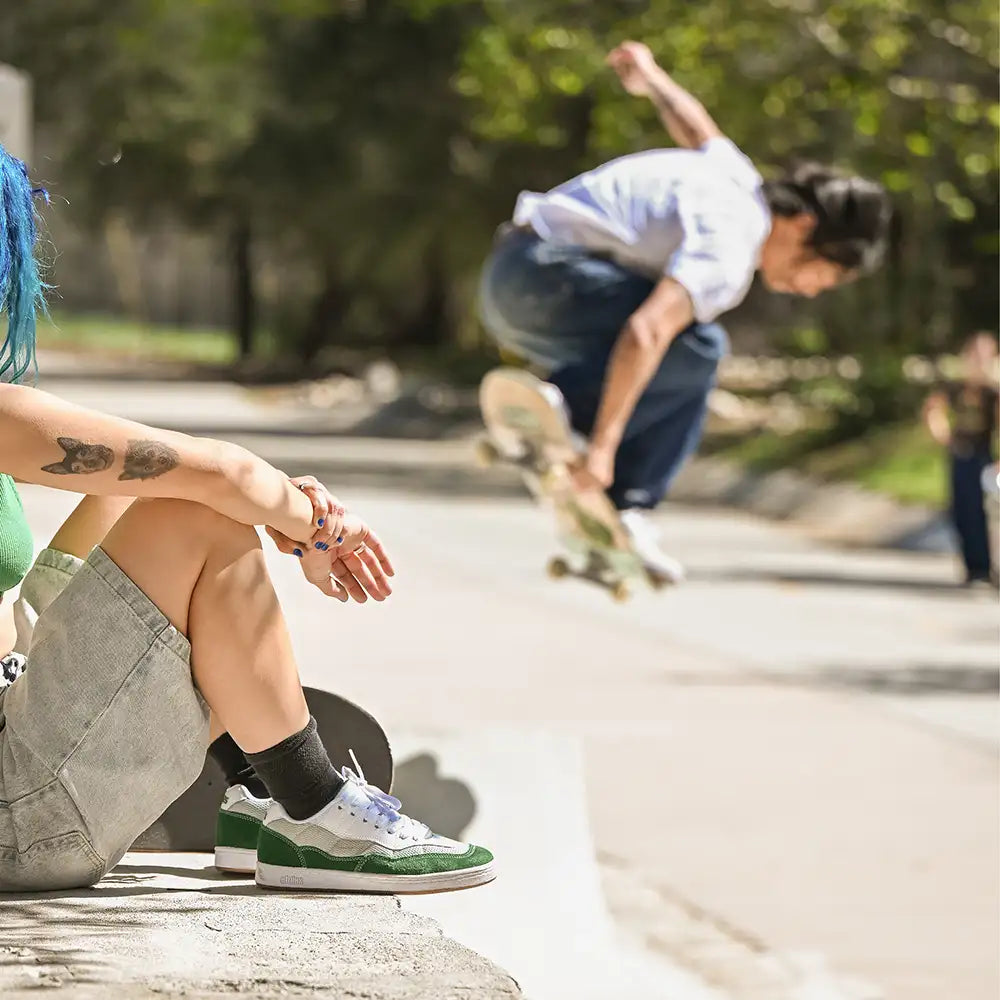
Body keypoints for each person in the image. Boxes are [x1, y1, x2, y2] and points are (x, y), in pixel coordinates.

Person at [0, 143, 494, 893]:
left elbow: (167, 477)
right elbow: (222, 471)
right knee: (203, 520)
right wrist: (305, 521)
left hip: (19, 726)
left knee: (164, 499)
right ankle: (310, 806)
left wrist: (248, 495)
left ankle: (252, 782)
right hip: (20, 812)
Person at [479, 41, 893, 580]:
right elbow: (646, 331)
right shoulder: (733, 244)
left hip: (506, 280)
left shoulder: (738, 178)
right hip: (548, 283)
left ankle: (609, 496)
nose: (812, 291)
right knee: (700, 346)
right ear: (805, 227)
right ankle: (592, 448)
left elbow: (695, 126)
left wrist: (652, 78)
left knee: (689, 351)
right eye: (827, 276)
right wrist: (601, 446)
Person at [923, 332, 999, 587]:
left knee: (984, 512)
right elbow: (934, 408)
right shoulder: (956, 387)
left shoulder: (992, 389)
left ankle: (986, 567)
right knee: (961, 511)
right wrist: (943, 435)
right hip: (960, 453)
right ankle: (973, 567)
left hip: (984, 455)